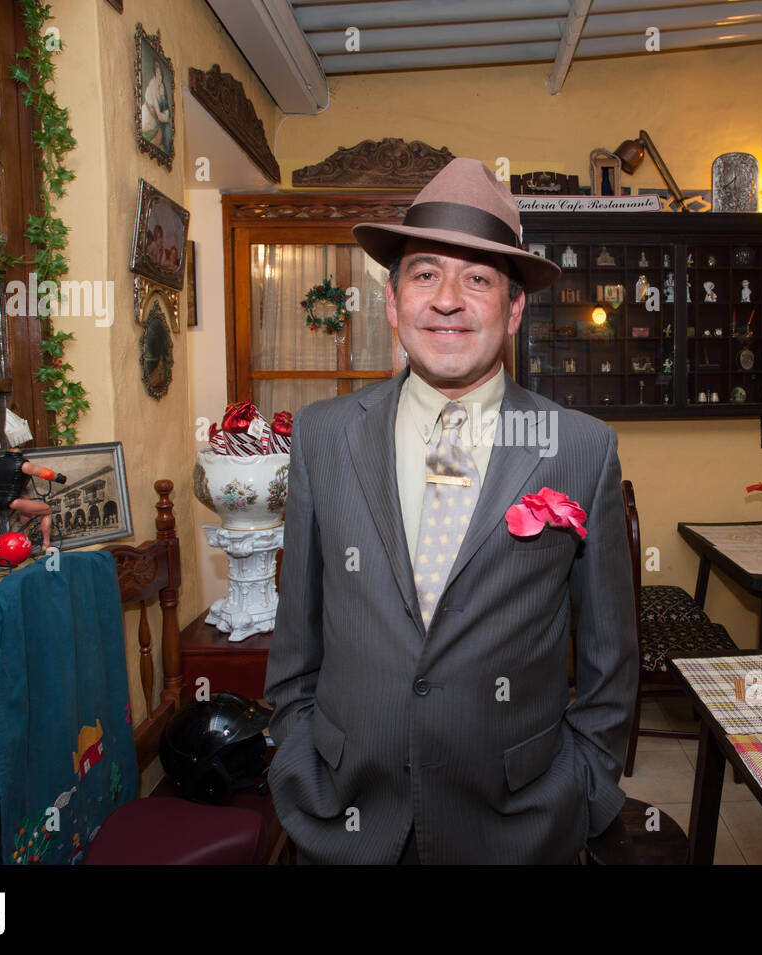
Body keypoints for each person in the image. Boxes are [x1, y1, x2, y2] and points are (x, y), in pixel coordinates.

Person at [264, 158, 638, 864]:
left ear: (515, 308)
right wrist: (297, 764)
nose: (448, 300)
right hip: (346, 820)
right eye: (426, 273)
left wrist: (579, 789)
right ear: (393, 301)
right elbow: (297, 638)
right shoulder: (322, 435)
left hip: (517, 827)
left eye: (478, 278)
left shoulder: (580, 449)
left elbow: (609, 660)